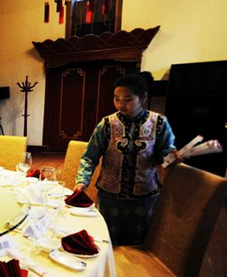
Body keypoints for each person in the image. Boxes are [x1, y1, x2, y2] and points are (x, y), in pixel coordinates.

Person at [74, 72, 177, 246]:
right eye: (117, 99)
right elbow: (90, 157)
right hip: (110, 196)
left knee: (140, 244)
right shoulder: (107, 124)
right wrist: (82, 181)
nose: (121, 104)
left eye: (128, 99)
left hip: (145, 196)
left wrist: (172, 157)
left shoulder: (158, 123)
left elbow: (164, 157)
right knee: (106, 241)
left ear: (143, 97)